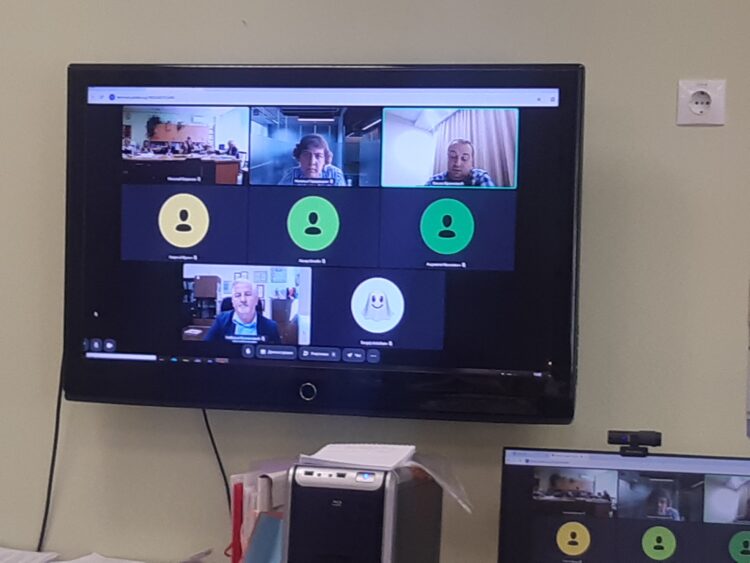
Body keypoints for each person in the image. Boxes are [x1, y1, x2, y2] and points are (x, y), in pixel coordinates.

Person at [204, 280, 280, 343]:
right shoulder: (221, 321)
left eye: (248, 294)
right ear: (233, 302)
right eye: (238, 295)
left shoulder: (271, 326)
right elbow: (206, 349)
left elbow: (276, 354)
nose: (243, 299)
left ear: (256, 300)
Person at [279, 134, 346, 186]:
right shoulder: (291, 174)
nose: (312, 162)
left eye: (318, 156)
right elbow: (281, 197)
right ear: (299, 157)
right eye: (306, 155)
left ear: (325, 160)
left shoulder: (335, 174)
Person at [425, 138, 495, 187]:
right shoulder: (435, 181)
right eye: (453, 156)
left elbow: (491, 201)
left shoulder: (480, 177)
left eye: (464, 158)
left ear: (472, 161)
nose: (457, 163)